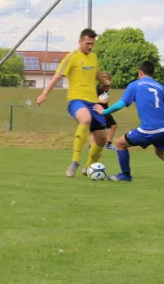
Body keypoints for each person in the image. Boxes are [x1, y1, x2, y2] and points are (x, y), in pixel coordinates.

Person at [93, 60, 164, 184]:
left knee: (119, 143)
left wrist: (104, 111)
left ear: (140, 72)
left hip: (148, 130)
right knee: (161, 152)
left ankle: (125, 175)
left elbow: (121, 104)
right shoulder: (161, 87)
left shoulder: (135, 85)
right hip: (163, 130)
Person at [37, 28, 111, 178]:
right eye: (88, 43)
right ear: (80, 41)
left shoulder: (94, 57)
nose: (90, 47)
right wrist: (44, 93)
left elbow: (97, 75)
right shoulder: (72, 57)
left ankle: (88, 167)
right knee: (85, 119)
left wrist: (106, 82)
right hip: (76, 100)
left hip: (93, 103)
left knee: (102, 139)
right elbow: (57, 76)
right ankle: (75, 162)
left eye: (92, 44)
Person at [89, 81, 118, 151]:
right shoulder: (98, 88)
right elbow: (91, 99)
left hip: (104, 110)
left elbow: (106, 99)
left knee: (113, 125)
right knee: (96, 128)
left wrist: (106, 101)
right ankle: (91, 146)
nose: (109, 87)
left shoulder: (105, 88)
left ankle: (108, 145)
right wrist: (100, 101)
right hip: (98, 110)